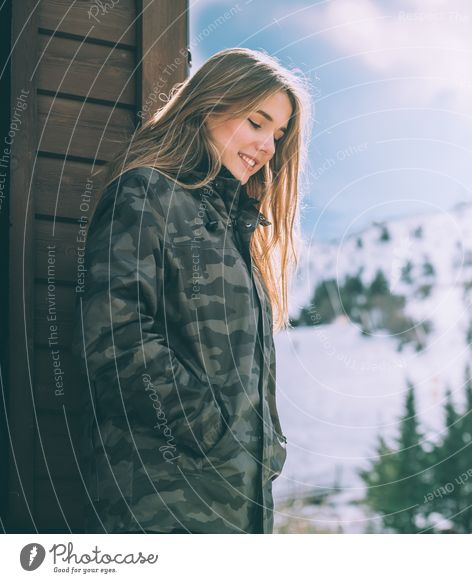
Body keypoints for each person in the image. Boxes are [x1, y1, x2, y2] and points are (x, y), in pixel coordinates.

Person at [73, 47, 311, 534]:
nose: (267, 145)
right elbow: (113, 341)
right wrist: (215, 433)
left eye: (278, 134)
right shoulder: (146, 196)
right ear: (210, 106)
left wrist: (265, 445)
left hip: (239, 504)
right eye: (256, 122)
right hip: (163, 503)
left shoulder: (236, 230)